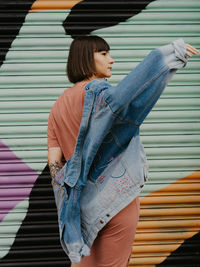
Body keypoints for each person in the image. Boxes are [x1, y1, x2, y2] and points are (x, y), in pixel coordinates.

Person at [47, 35, 198, 267]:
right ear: (87, 58)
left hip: (81, 207)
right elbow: (130, 92)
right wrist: (167, 55)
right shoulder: (102, 93)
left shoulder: (58, 106)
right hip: (118, 201)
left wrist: (68, 203)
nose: (112, 60)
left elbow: (55, 162)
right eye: (104, 54)